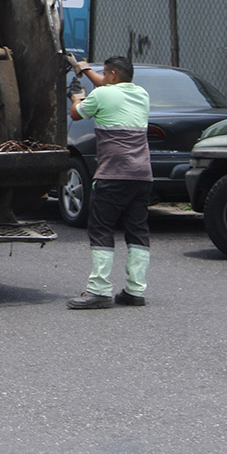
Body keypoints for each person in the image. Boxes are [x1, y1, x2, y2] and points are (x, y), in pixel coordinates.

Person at [66, 55, 152, 310]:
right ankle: (135, 291)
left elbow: (76, 113)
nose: (101, 77)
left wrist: (77, 95)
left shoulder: (102, 96)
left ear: (113, 74)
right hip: (142, 175)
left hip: (113, 173)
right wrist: (85, 69)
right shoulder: (142, 94)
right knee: (137, 231)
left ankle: (99, 290)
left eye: (105, 73)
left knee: (101, 229)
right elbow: (106, 87)